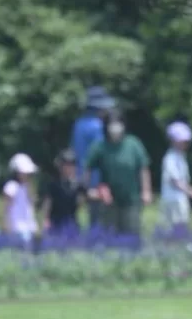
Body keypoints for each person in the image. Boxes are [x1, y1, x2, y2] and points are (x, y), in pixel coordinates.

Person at [84, 111, 152, 236]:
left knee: (131, 232)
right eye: (112, 124)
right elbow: (88, 168)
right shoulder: (100, 146)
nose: (115, 128)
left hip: (131, 198)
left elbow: (143, 168)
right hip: (108, 199)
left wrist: (146, 191)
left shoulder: (133, 144)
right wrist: (88, 190)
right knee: (110, 234)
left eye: (118, 124)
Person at [71, 86, 116, 228]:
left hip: (81, 176)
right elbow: (101, 154)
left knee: (91, 214)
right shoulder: (97, 127)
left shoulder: (78, 125)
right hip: (97, 179)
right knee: (101, 217)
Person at [161, 121, 192, 230]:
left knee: (182, 225)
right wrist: (190, 190)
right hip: (172, 199)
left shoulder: (181, 156)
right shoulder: (170, 158)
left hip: (180, 198)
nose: (185, 144)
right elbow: (175, 180)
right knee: (176, 227)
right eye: (182, 141)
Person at [40, 149, 85, 234]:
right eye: (66, 165)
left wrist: (101, 193)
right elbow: (47, 203)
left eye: (72, 165)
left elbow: (87, 196)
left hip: (72, 223)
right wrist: (46, 220)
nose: (69, 168)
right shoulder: (53, 184)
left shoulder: (78, 185)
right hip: (56, 222)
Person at [3, 153, 40, 245]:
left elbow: (32, 203)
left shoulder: (28, 186)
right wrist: (7, 225)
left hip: (29, 226)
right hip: (17, 227)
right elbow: (6, 208)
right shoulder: (11, 186)